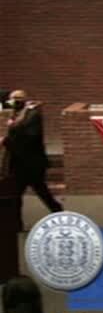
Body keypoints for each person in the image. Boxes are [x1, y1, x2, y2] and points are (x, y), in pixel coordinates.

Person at [0, 90, 63, 230]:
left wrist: (6, 141)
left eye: (16, 99)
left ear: (22, 99)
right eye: (12, 99)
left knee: (42, 193)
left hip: (31, 163)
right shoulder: (17, 115)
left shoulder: (32, 115)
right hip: (19, 163)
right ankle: (16, 226)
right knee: (16, 196)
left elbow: (30, 137)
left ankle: (59, 213)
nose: (13, 102)